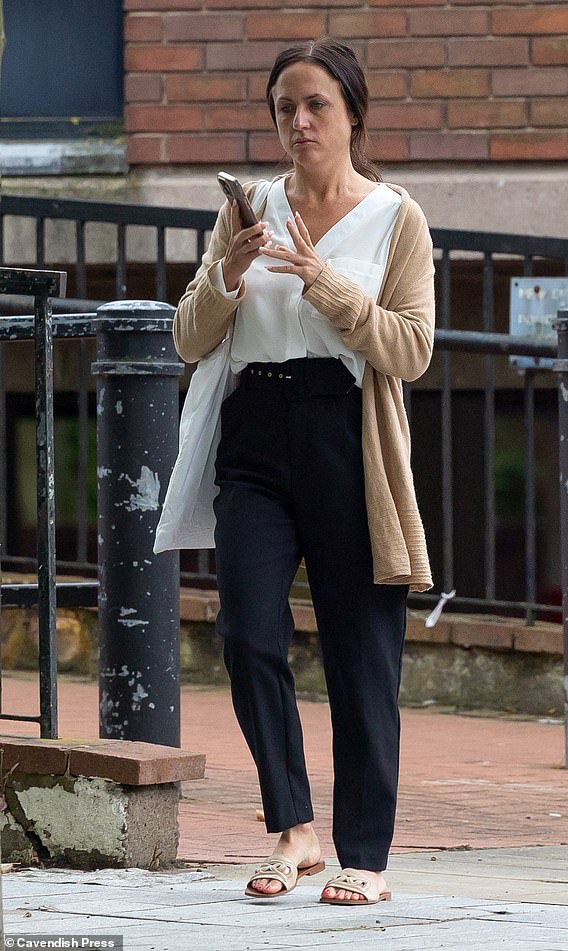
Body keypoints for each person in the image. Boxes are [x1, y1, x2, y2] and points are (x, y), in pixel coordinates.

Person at [172, 37, 435, 906]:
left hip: (344, 434)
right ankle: (295, 830)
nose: (300, 121)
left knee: (362, 652)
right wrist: (229, 275)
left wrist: (325, 284)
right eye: (285, 106)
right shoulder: (251, 206)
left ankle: (365, 852)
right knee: (247, 629)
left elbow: (413, 347)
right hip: (255, 434)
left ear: (353, 112)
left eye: (317, 104)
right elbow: (189, 336)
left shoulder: (396, 217)